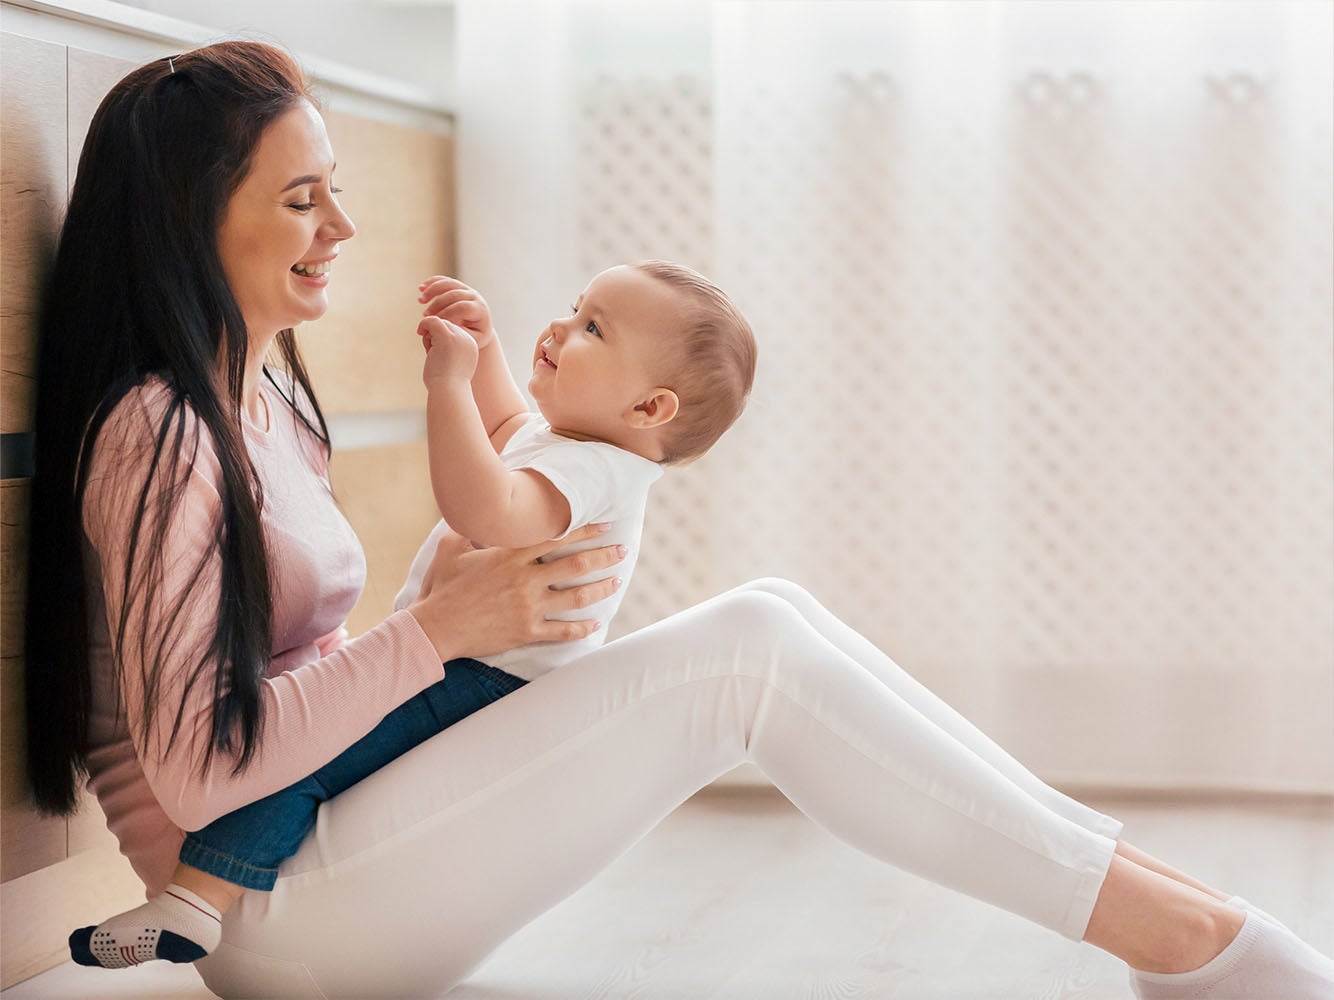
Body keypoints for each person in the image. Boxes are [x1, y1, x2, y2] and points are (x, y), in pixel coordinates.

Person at [22, 40, 1333, 1000]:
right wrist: (441, 632)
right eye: (304, 196)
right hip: (259, 910)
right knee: (753, 646)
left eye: (336, 187)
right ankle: (1186, 939)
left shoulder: (264, 404)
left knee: (773, 622)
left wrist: (465, 628)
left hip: (318, 852)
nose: (345, 225)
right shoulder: (157, 431)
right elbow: (197, 772)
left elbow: (306, 674)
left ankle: (1182, 924)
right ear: (198, 219)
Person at [69, 260, 758, 965]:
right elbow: (508, 422)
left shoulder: (597, 470)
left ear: (650, 410)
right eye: (575, 305)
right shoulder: (572, 447)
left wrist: (447, 386)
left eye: (592, 329)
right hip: (474, 667)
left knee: (318, 763)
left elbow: (484, 506)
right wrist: (486, 349)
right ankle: (199, 898)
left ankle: (193, 903)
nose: (559, 327)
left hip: (482, 681)